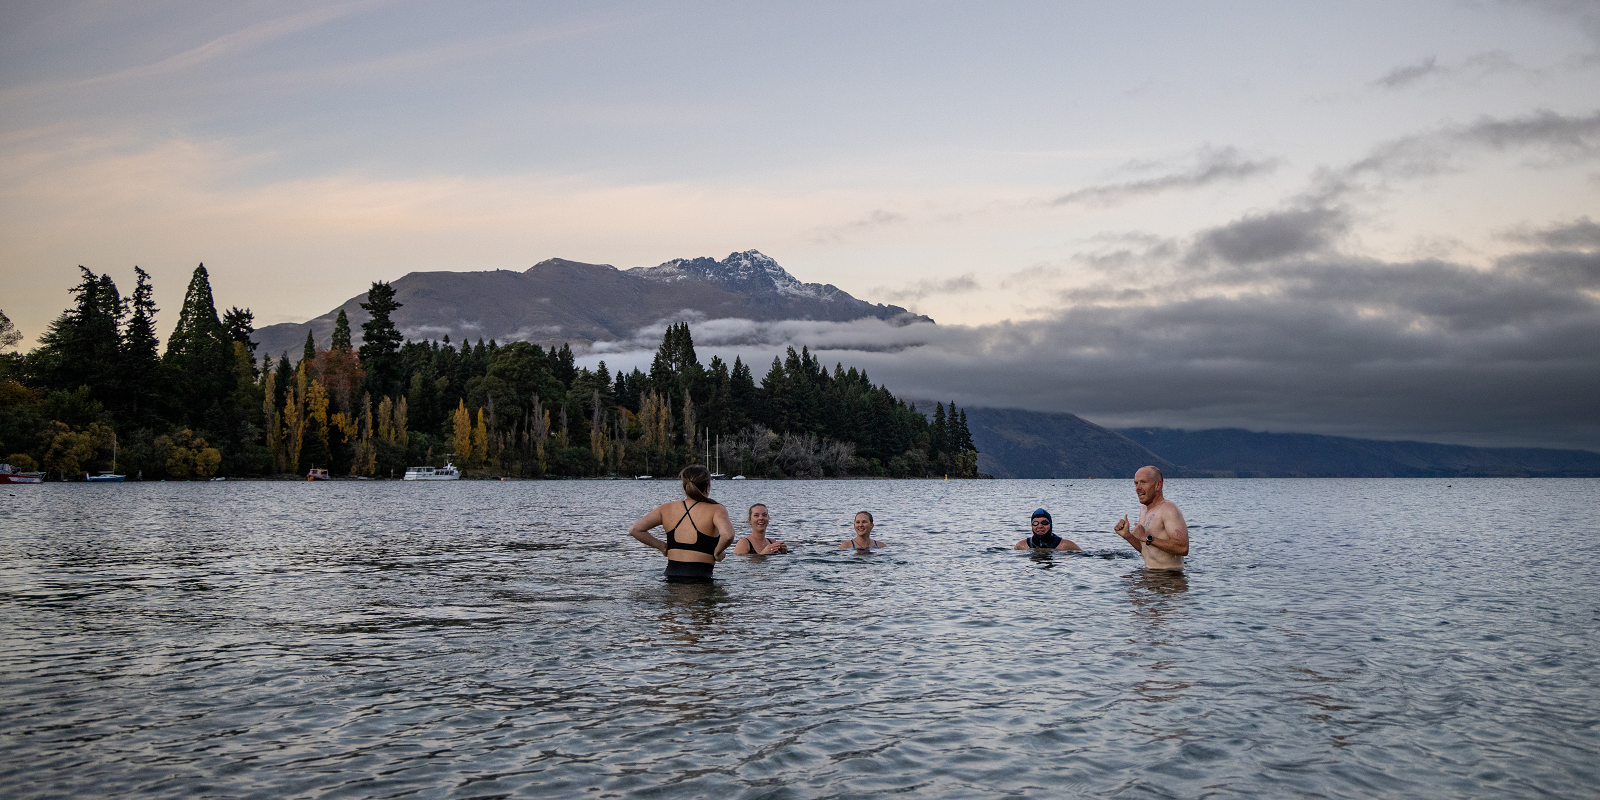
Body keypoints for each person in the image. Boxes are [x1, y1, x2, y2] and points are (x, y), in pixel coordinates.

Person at [627, 465, 736, 582]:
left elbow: (635, 530)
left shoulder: (666, 509)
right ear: (708, 487)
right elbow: (728, 536)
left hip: (670, 578)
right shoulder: (716, 509)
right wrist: (718, 552)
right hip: (701, 582)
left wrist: (662, 546)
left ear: (684, 486)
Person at [1113, 466, 1188, 570]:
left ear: (1158, 485)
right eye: (1136, 483)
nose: (1138, 488)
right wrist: (1127, 535)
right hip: (1150, 575)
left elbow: (1183, 548)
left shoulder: (1168, 509)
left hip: (1170, 577)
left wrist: (1145, 537)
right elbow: (1148, 549)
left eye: (1143, 482)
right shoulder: (1143, 510)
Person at [1014, 508, 1081, 550]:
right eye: (1035, 523)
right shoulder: (1021, 546)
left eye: (1044, 522)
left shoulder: (1066, 546)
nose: (1040, 526)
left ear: (1051, 524)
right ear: (1031, 526)